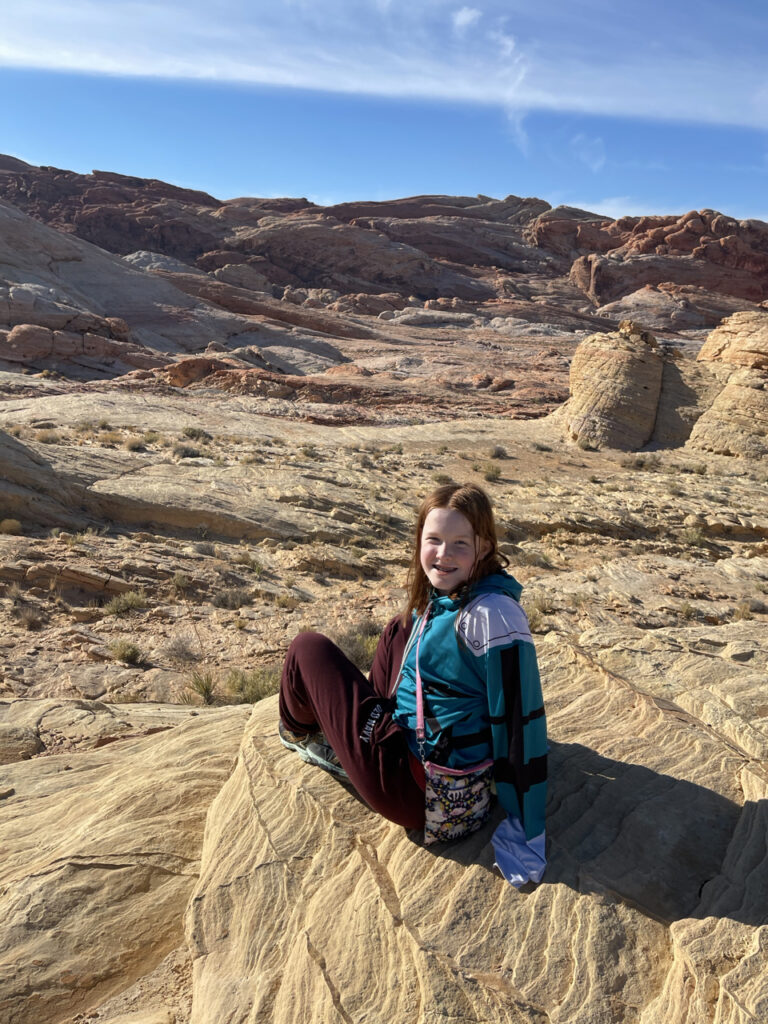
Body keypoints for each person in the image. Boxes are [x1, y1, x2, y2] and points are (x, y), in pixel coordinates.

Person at [278, 482, 547, 886]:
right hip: (430, 755)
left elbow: (520, 724)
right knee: (399, 627)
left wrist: (526, 831)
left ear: (485, 548)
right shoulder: (461, 597)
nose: (443, 554)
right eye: (434, 540)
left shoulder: (493, 617)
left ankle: (302, 733)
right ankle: (359, 736)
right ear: (419, 540)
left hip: (423, 791)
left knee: (307, 647)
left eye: (460, 543)